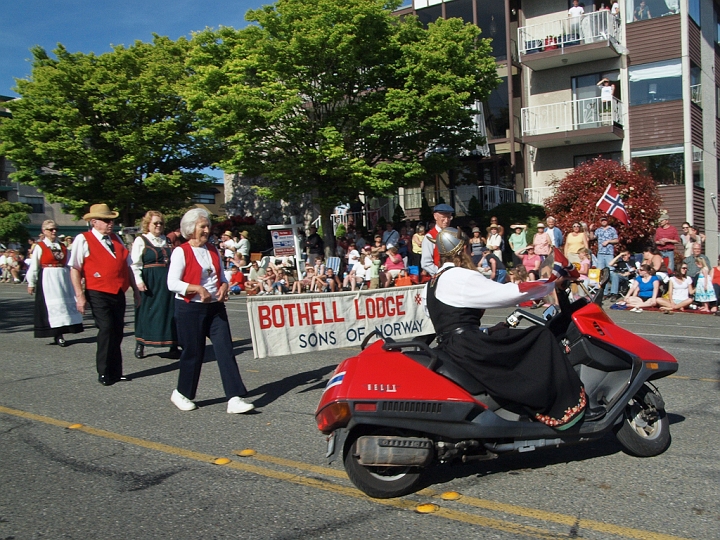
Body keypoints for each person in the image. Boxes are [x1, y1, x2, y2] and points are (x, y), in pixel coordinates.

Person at [422, 227, 586, 430]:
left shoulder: (432, 281)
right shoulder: (458, 276)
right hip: (468, 346)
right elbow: (508, 293)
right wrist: (550, 283)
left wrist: (486, 331)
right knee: (540, 336)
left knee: (507, 335)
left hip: (454, 345)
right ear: (464, 249)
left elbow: (448, 321)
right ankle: (560, 408)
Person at [166, 208, 254, 414]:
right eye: (202, 226)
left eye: (207, 226)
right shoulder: (182, 251)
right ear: (190, 229)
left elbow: (221, 278)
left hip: (215, 308)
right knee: (193, 353)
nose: (207, 230)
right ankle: (182, 393)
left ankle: (234, 396)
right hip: (190, 308)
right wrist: (196, 289)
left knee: (225, 349)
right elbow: (172, 283)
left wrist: (224, 287)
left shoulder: (213, 250)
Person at [69, 203, 140, 386]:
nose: (111, 223)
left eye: (112, 220)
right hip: (97, 290)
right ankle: (104, 371)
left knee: (117, 330)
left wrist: (136, 291)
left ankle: (116, 371)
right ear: (94, 222)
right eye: (106, 220)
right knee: (106, 328)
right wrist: (80, 295)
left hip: (117, 290)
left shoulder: (116, 238)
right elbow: (75, 269)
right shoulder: (83, 240)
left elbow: (128, 266)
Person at [130, 211, 179, 360]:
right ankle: (141, 343)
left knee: (170, 311)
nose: (158, 226)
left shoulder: (167, 241)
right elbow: (135, 263)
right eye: (155, 223)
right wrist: (138, 281)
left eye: (160, 223)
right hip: (150, 281)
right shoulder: (142, 240)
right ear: (148, 225)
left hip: (167, 280)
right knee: (147, 311)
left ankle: (172, 344)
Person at [26, 220, 84, 346]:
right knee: (52, 306)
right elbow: (34, 266)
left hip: (63, 278)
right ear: (44, 231)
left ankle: (65, 329)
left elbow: (70, 263)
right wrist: (31, 283)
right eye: (51, 229)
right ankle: (57, 334)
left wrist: (76, 279)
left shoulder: (62, 246)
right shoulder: (40, 247)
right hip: (48, 278)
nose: (54, 232)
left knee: (65, 304)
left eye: (55, 229)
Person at [421, 203, 454, 275]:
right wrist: (441, 273)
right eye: (443, 217)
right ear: (435, 216)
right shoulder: (430, 237)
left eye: (449, 217)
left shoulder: (453, 234)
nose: (446, 220)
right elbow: (426, 263)